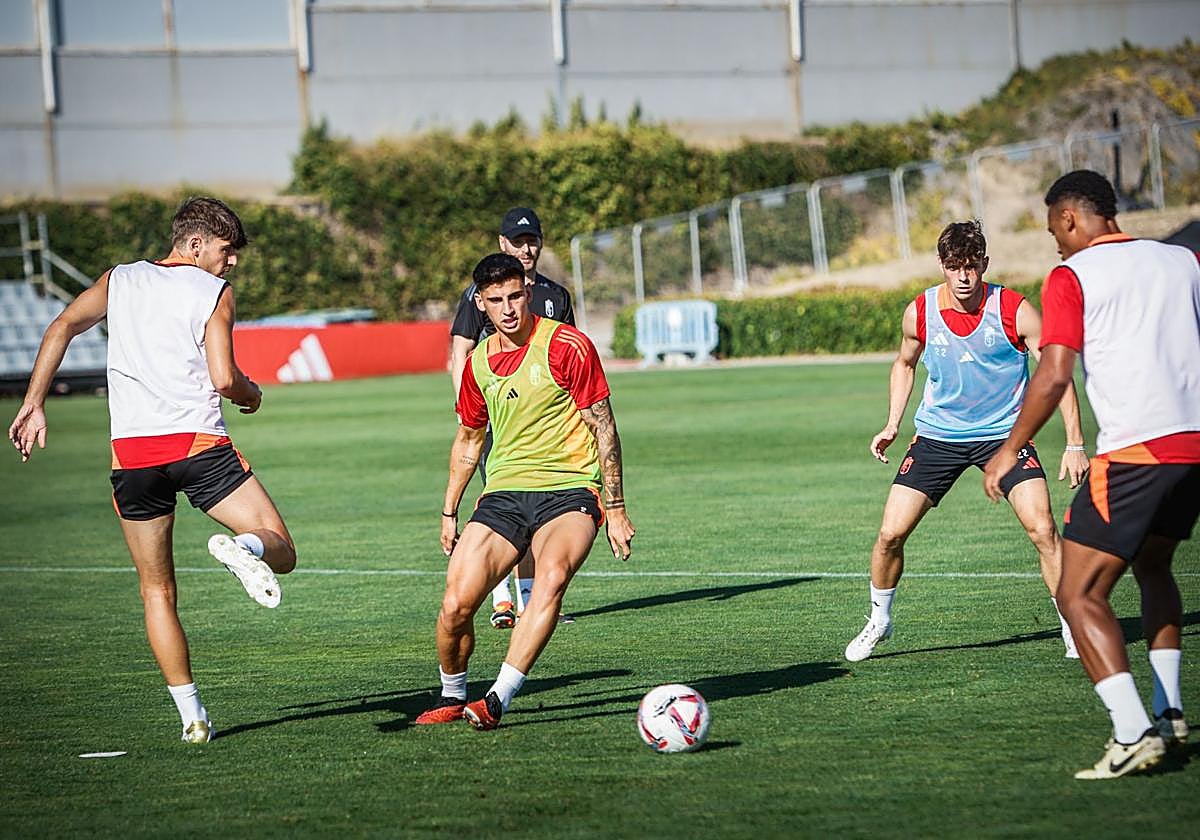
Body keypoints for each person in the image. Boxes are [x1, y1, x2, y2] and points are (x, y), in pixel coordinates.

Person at [7, 197, 297, 745]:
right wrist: (251, 393)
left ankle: (193, 717)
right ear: (194, 244)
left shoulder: (120, 280)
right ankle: (245, 549)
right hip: (197, 447)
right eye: (226, 250)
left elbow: (61, 327)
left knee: (156, 591)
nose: (231, 262)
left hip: (133, 459)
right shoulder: (214, 293)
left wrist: (34, 403)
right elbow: (223, 377)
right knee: (280, 548)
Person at [983, 170, 1200, 780]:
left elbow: (1054, 374)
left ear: (1072, 217)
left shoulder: (1072, 275)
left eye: (1053, 226)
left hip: (1136, 454)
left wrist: (1010, 449)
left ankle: (1132, 733)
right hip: (1194, 448)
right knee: (1154, 567)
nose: (1053, 239)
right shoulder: (1182, 260)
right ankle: (1170, 712)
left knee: (1077, 593)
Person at [844, 220, 1090, 663]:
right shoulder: (919, 311)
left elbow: (1057, 372)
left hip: (1006, 438)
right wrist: (892, 424)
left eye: (971, 266)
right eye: (954, 266)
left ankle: (1071, 623)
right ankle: (879, 619)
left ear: (985, 264)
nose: (963, 276)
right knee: (889, 534)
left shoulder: (1014, 309)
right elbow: (904, 364)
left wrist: (1075, 442)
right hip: (938, 437)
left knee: (1043, 529)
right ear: (941, 265)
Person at [417, 253, 634, 729]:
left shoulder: (568, 346)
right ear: (481, 303)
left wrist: (615, 507)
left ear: (528, 293)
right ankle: (453, 695)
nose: (509, 308)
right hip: (505, 494)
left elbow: (604, 426)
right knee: (455, 604)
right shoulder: (477, 365)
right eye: (496, 300)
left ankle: (497, 698)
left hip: (570, 490)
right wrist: (449, 510)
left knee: (551, 577)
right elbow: (469, 441)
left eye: (516, 296)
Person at [448, 207, 576, 630]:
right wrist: (469, 414)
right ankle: (502, 598)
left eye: (532, 240)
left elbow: (571, 355)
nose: (526, 247)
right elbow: (460, 353)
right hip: (497, 416)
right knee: (503, 503)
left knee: (542, 508)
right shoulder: (478, 294)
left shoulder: (556, 296)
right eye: (517, 241)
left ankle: (527, 600)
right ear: (503, 242)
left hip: (547, 425)